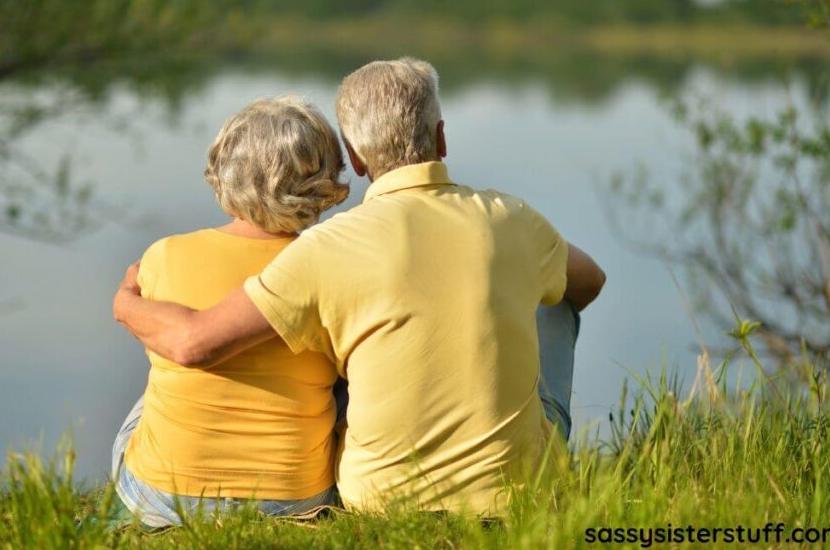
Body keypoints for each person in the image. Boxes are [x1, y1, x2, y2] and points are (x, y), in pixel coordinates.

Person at [114, 57, 606, 515]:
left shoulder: (329, 248)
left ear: (355, 154)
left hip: (379, 496)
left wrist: (125, 302)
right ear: (441, 138)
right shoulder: (513, 218)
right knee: (554, 300)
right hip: (517, 492)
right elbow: (591, 281)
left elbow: (192, 342)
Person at [110, 95, 350, 527]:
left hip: (164, 496)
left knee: (157, 378)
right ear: (322, 181)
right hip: (295, 499)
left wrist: (125, 301)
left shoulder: (165, 255)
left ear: (224, 169)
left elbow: (158, 335)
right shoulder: (330, 267)